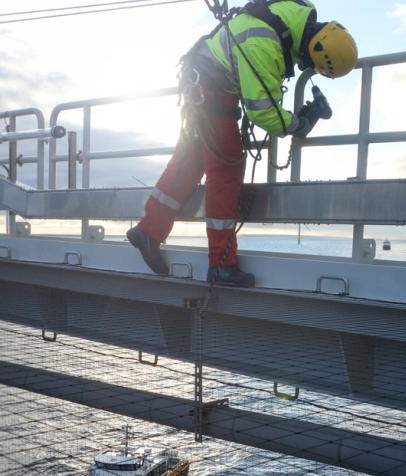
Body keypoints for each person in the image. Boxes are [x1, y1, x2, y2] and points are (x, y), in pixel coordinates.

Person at [127, 0, 357, 287]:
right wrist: (300, 123)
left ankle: (148, 231)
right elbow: (263, 111)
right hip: (211, 87)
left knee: (193, 156)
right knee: (227, 162)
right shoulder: (265, 43)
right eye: (311, 64)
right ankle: (221, 265)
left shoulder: (292, 13)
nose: (304, 66)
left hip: (203, 79)